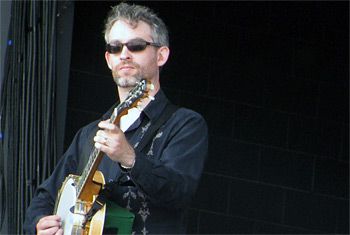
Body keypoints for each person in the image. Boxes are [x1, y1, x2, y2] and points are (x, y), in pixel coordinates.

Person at [24, 2, 208, 234]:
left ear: (161, 55)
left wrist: (129, 157)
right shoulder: (91, 132)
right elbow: (46, 196)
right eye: (115, 47)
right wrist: (40, 223)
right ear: (108, 59)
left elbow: (178, 192)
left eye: (137, 46)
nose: (125, 54)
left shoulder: (184, 124)